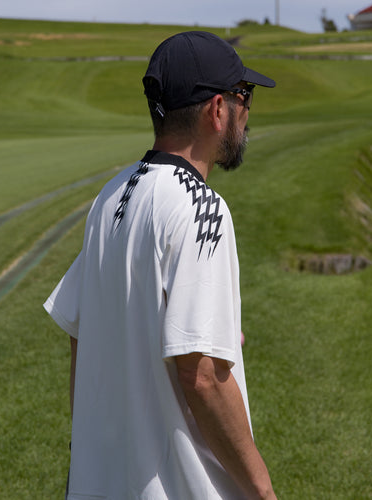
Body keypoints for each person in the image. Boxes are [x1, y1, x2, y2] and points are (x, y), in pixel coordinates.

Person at [44, 30, 277, 500]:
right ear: (217, 110)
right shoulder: (203, 210)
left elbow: (81, 331)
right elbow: (202, 375)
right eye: (243, 96)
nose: (247, 112)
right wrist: (262, 490)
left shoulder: (109, 196)